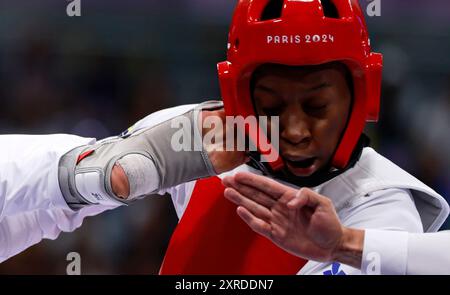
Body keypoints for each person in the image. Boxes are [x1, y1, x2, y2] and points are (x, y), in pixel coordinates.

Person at [1, 0, 448, 275]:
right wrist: (107, 174)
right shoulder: (203, 141)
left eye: (316, 108)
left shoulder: (384, 210)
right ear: (236, 95)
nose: (293, 130)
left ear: (361, 96)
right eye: (271, 106)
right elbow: (23, 213)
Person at [222, 171, 450, 275]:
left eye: (316, 105)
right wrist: (342, 244)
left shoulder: (382, 201)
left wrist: (343, 245)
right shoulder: (208, 145)